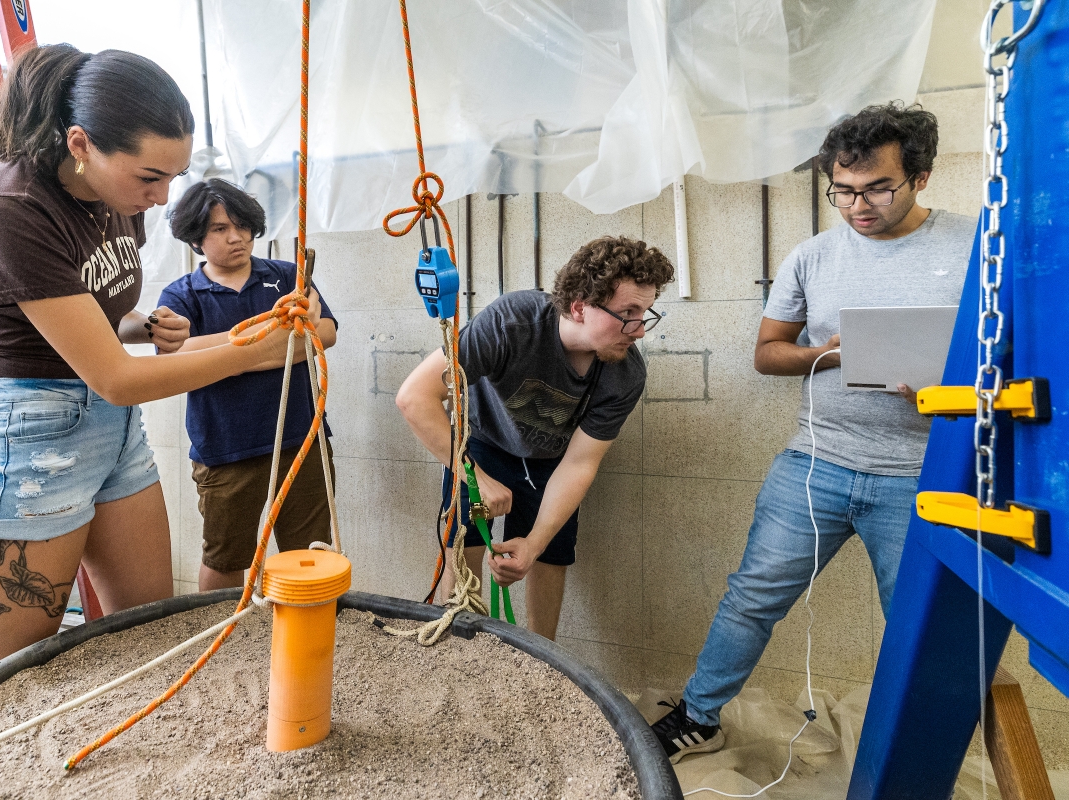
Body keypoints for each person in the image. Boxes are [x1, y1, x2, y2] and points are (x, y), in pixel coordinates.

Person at [0, 44, 293, 675]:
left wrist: (143, 326)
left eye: (172, 177)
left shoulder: (116, 200)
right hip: (31, 440)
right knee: (4, 685)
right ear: (81, 144)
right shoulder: (8, 209)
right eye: (149, 178)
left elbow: (89, 319)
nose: (163, 199)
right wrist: (251, 350)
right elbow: (115, 378)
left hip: (111, 437)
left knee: (148, 637)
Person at [649, 103, 977, 762]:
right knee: (752, 595)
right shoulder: (813, 255)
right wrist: (826, 353)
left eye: (878, 188)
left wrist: (951, 385)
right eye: (843, 189)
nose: (858, 204)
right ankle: (700, 715)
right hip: (816, 462)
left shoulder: (972, 246)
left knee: (916, 623)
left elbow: (1018, 353)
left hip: (924, 472)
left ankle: (918, 751)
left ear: (922, 177)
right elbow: (768, 352)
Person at [396, 237, 674, 640]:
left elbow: (581, 462)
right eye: (628, 313)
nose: (639, 330)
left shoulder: (625, 373)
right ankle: (457, 646)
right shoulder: (513, 322)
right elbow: (415, 397)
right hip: (483, 444)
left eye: (645, 313)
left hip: (553, 460)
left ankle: (546, 660)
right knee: (466, 539)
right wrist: (475, 477)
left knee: (549, 555)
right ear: (580, 306)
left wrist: (535, 542)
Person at [159, 180, 338, 591]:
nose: (236, 237)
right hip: (225, 449)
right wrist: (274, 338)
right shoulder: (183, 294)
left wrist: (228, 359)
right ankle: (224, 641)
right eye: (220, 228)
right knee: (225, 558)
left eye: (241, 226)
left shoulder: (288, 276)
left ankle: (307, 632)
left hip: (302, 439)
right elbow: (175, 357)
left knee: (309, 551)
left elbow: (324, 334)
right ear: (197, 236)